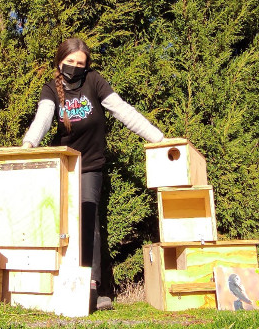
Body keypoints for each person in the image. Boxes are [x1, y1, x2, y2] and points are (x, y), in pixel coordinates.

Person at [21, 37, 164, 311]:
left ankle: (93, 289)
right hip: (62, 166)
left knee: (88, 224)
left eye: (80, 63)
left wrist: (158, 138)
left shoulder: (95, 82)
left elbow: (123, 111)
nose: (74, 67)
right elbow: (44, 117)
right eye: (69, 62)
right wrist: (28, 145)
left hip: (89, 167)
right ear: (59, 61)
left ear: (86, 66)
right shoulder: (51, 88)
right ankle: (57, 285)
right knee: (57, 225)